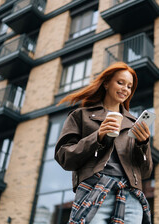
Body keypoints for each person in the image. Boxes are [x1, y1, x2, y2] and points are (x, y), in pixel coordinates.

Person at [55, 62, 153, 224]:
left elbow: (145, 172)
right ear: (106, 83)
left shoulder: (135, 123)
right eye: (120, 83)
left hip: (130, 196)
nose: (125, 89)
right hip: (95, 189)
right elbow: (65, 157)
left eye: (129, 86)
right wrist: (98, 136)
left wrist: (143, 144)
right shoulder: (81, 116)